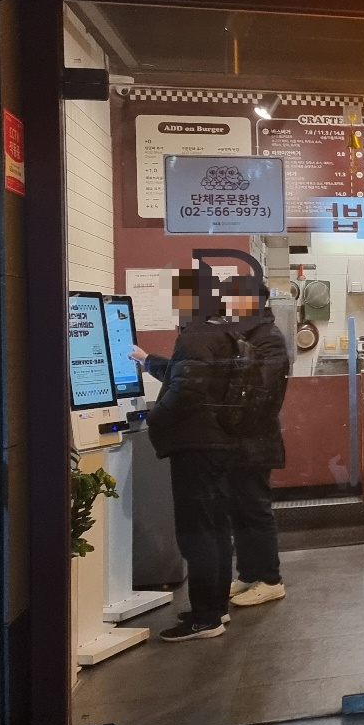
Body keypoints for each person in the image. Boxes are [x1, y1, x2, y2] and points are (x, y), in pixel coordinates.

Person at [132, 268, 239, 641]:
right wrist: (148, 360)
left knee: (197, 532)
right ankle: (216, 608)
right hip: (219, 443)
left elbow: (188, 389)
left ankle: (205, 617)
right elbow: (189, 375)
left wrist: (154, 418)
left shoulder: (196, 337)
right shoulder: (221, 333)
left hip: (197, 446)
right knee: (215, 528)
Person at [221, 275, 290, 608]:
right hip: (241, 440)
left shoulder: (268, 339)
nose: (226, 306)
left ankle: (271, 579)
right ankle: (249, 573)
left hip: (255, 439)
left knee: (255, 509)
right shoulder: (248, 334)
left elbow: (259, 390)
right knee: (240, 511)